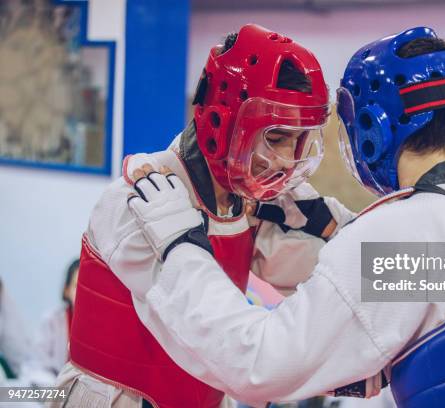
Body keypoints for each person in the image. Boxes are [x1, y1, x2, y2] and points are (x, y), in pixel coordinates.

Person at [124, 27, 445, 407]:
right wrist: (336, 226)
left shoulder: (395, 233)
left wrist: (180, 243)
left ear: (371, 129)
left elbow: (259, 364)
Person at [55, 24, 353, 408]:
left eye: (300, 141)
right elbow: (230, 347)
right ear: (225, 120)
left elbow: (335, 280)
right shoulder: (142, 196)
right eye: (276, 138)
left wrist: (340, 230)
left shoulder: (246, 204)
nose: (287, 160)